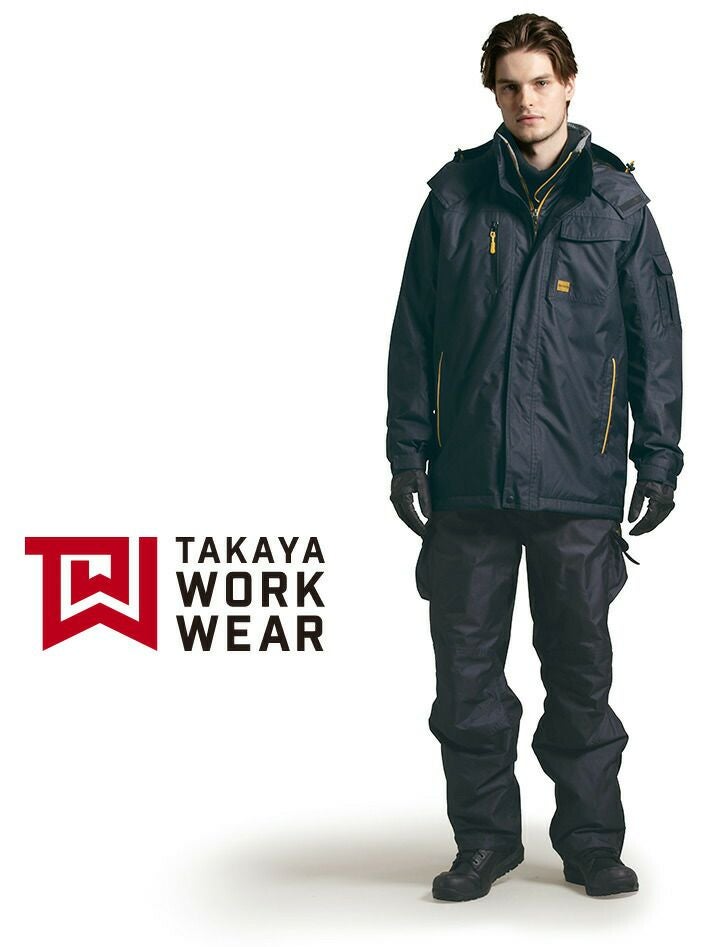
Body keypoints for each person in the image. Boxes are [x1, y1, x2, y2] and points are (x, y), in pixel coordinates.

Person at [385, 13, 683, 901]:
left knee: (581, 676)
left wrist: (658, 459)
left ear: (569, 84)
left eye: (541, 83)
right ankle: (485, 841)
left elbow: (656, 341)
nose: (527, 101)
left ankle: (591, 840)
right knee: (466, 680)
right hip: (468, 480)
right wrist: (407, 453)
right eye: (510, 86)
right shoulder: (453, 198)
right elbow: (413, 336)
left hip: (577, 482)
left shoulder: (617, 204)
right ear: (494, 92)